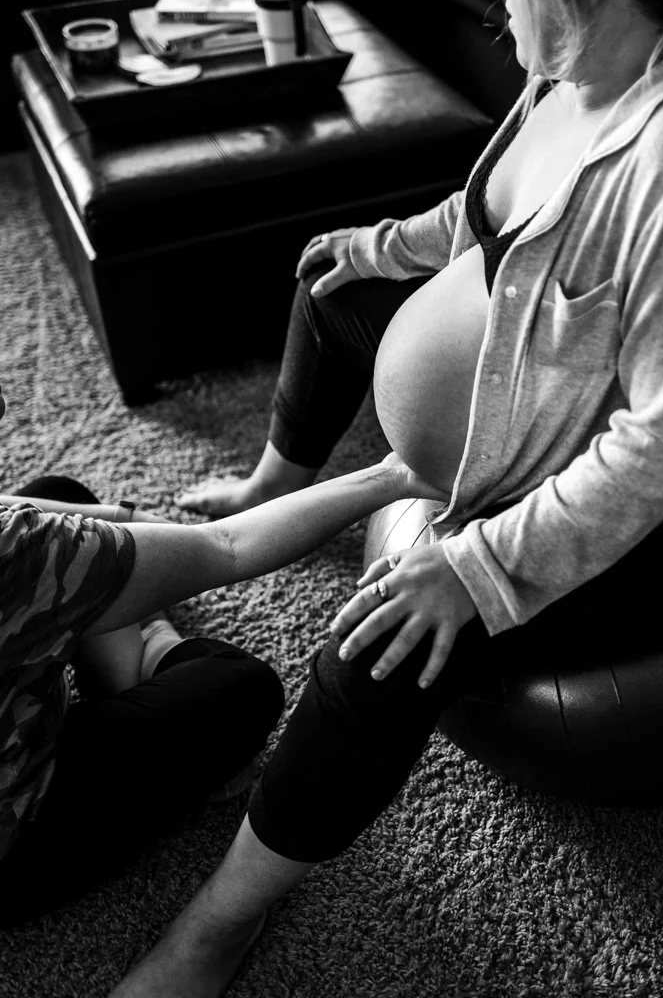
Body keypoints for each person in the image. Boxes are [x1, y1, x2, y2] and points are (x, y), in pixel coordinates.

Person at [113, 0, 663, 994]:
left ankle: (215, 929)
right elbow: (487, 215)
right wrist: (384, 246)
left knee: (378, 649)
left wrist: (475, 567)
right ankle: (281, 483)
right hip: (548, 411)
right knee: (331, 292)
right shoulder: (570, 70)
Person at [0, 381, 435, 925]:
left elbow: (20, 513)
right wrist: (393, 475)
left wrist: (115, 519)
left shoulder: (20, 541)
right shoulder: (17, 549)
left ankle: (117, 616)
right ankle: (151, 639)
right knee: (240, 687)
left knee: (57, 494)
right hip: (17, 841)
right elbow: (227, 547)